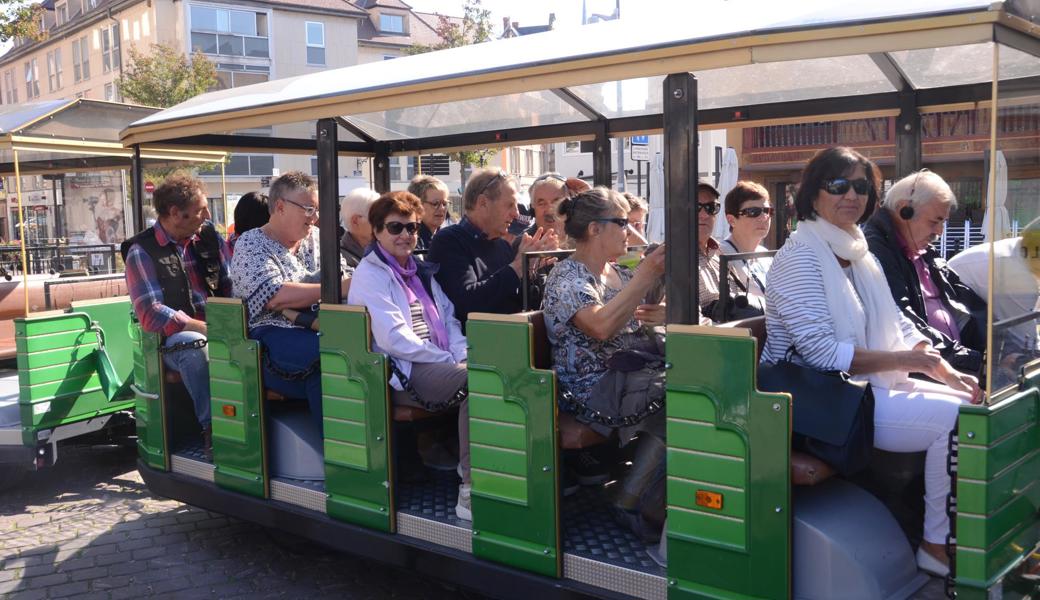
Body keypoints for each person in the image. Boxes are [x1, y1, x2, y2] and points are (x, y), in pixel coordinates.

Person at [761, 146, 981, 577]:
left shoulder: (858, 251)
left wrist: (937, 365)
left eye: (862, 187)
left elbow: (895, 321)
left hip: (859, 391)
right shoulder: (802, 255)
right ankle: (936, 543)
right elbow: (821, 354)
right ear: (812, 193)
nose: (852, 195)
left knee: (974, 402)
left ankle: (943, 533)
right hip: (813, 404)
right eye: (838, 185)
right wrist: (905, 360)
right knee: (960, 419)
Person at [542, 187, 667, 540]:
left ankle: (643, 494)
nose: (629, 231)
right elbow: (600, 327)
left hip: (630, 374)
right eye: (622, 223)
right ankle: (630, 500)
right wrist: (646, 274)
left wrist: (662, 312)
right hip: (592, 389)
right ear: (595, 229)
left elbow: (636, 314)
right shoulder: (567, 278)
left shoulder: (617, 272)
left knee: (696, 385)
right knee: (687, 394)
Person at [347, 191, 472, 520]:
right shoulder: (370, 274)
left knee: (491, 373)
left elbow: (449, 319)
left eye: (413, 228)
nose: (406, 235)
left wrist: (461, 353)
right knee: (480, 383)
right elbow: (393, 339)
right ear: (376, 230)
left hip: (439, 361)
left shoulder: (419, 270)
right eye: (395, 227)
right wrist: (450, 361)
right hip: (406, 371)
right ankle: (471, 489)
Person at [121, 174, 232, 456]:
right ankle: (213, 429)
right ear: (174, 213)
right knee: (196, 347)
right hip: (172, 341)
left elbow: (232, 285)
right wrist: (205, 327)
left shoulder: (210, 238)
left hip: (222, 324)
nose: (208, 215)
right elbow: (151, 313)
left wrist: (237, 320)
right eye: (201, 209)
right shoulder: (142, 251)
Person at [230, 171, 350, 430]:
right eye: (308, 209)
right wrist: (337, 287)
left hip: (322, 326)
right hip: (267, 337)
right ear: (280, 207)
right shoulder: (250, 244)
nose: (315, 217)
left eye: (316, 210)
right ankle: (340, 455)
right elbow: (274, 296)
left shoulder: (318, 239)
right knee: (330, 360)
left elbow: (344, 276)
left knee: (367, 352)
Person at [864, 170, 986, 375]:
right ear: (904, 211)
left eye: (943, 222)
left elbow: (968, 300)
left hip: (952, 363)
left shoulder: (925, 250)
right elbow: (904, 319)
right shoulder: (877, 251)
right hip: (920, 371)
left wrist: (997, 350)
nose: (940, 232)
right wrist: (976, 362)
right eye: (934, 221)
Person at [429, 167, 557, 330]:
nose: (516, 214)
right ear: (483, 203)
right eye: (510, 205)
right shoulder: (449, 241)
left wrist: (530, 271)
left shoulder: (502, 246)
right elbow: (466, 305)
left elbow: (517, 305)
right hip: (475, 349)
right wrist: (517, 267)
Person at [948, 232, 1040, 388]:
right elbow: (1025, 339)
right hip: (960, 320)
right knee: (1021, 357)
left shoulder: (1027, 255)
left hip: (978, 308)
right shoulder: (1018, 275)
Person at [718, 181, 773, 318]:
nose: (764, 217)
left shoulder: (767, 256)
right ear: (731, 220)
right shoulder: (720, 255)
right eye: (753, 212)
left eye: (767, 211)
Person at [694, 178, 724, 320]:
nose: (704, 215)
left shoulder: (720, 253)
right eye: (695, 207)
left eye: (710, 207)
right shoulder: (664, 257)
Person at [339, 187, 380, 268]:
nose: (382, 222)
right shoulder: (341, 260)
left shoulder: (384, 249)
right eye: (376, 216)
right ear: (355, 221)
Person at [407, 175, 450, 251]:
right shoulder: (409, 239)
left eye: (444, 203)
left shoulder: (448, 237)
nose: (442, 208)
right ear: (417, 205)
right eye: (435, 203)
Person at [527, 172, 569, 242]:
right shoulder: (523, 244)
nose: (549, 210)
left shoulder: (585, 240)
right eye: (542, 203)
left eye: (556, 202)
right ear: (532, 210)